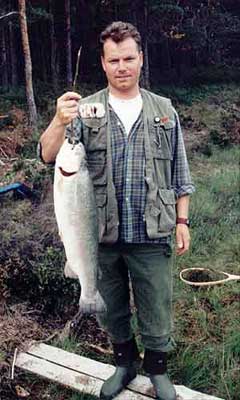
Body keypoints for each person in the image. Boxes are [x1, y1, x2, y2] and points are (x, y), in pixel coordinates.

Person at [39, 21, 195, 400]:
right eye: (114, 60)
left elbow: (180, 170)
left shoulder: (164, 110)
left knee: (156, 304)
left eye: (129, 58)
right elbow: (47, 154)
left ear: (141, 59)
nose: (122, 66)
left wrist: (182, 220)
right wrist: (59, 120)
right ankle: (123, 364)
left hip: (152, 231)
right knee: (111, 309)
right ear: (103, 63)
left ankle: (157, 371)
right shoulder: (84, 108)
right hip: (100, 235)